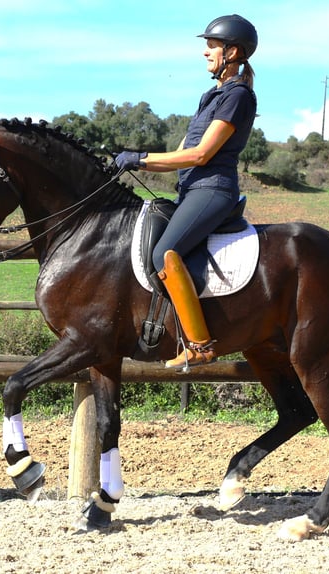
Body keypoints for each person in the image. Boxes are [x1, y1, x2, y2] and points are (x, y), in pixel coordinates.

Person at [115, 14, 258, 369]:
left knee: (165, 252)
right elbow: (182, 153)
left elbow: (201, 154)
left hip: (213, 189)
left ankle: (199, 343)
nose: (205, 52)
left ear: (233, 52)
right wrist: (134, 159)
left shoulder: (238, 96)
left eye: (212, 46)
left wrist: (141, 159)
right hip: (192, 188)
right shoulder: (211, 95)